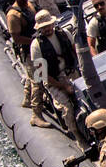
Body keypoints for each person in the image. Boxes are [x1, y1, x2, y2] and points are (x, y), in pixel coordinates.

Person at [30, 9, 85, 146]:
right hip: (54, 80)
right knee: (67, 107)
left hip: (71, 72)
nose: (47, 29)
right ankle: (79, 137)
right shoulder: (36, 46)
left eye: (49, 25)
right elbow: (42, 74)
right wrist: (63, 87)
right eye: (44, 27)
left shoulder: (64, 34)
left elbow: (75, 52)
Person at [5, 0, 39, 108]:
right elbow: (17, 38)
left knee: (31, 77)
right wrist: (34, 42)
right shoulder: (13, 15)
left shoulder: (31, 4)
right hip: (29, 50)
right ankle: (36, 113)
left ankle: (26, 99)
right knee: (37, 81)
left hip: (39, 45)